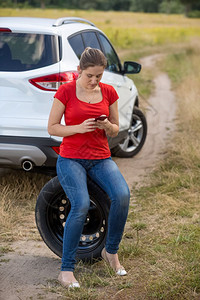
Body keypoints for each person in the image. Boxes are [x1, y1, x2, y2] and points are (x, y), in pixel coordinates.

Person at [48, 47, 130, 289]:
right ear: (78, 71)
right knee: (81, 204)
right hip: (71, 158)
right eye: (89, 76)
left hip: (100, 157)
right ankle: (66, 270)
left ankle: (110, 252)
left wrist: (106, 126)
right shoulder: (65, 91)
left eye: (99, 76)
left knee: (122, 195)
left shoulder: (108, 92)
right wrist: (78, 128)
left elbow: (116, 128)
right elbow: (52, 128)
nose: (94, 81)